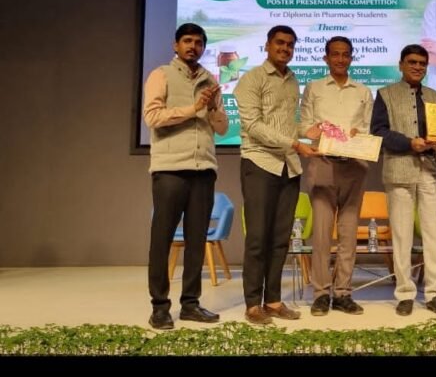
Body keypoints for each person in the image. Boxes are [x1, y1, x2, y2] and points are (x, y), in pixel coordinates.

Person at [143, 23, 227, 330]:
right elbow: (152, 117)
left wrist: (213, 107)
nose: (193, 46)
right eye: (187, 41)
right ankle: (159, 306)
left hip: (203, 169)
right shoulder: (161, 75)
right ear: (176, 45)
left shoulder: (210, 80)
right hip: (170, 169)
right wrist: (194, 108)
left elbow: (222, 129)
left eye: (199, 42)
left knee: (196, 241)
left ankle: (190, 303)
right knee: (162, 239)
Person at [234, 25, 318, 325]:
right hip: (260, 162)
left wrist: (314, 132)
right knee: (258, 237)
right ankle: (252, 304)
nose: (285, 48)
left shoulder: (292, 80)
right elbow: (253, 126)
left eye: (290, 44)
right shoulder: (251, 79)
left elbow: (288, 124)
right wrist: (294, 144)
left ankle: (272, 301)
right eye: (280, 43)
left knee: (281, 238)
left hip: (288, 166)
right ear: (267, 45)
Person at [370, 44, 436, 317]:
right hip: (400, 170)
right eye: (412, 62)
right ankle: (405, 293)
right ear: (401, 65)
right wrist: (408, 143)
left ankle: (434, 294)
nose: (417, 67)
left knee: (433, 235)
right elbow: (378, 131)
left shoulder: (435, 96)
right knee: (402, 236)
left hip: (431, 171)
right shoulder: (385, 94)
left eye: (422, 63)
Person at [299, 36, 374, 317]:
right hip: (323, 164)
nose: (341, 59)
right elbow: (304, 125)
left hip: (354, 166)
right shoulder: (314, 88)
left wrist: (358, 135)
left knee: (348, 234)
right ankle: (320, 294)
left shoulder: (363, 91)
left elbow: (368, 128)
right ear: (326, 58)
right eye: (335, 54)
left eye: (345, 54)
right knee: (321, 234)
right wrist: (317, 129)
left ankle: (343, 293)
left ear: (351, 58)